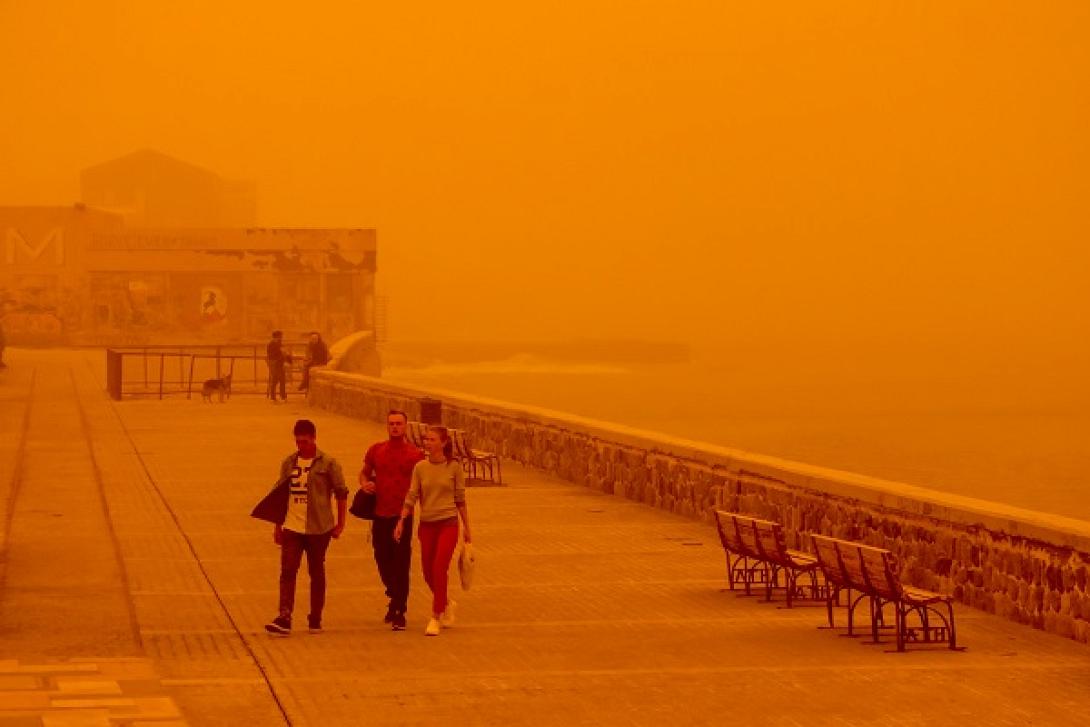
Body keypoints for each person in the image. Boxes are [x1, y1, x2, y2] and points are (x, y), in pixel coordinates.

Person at [265, 419, 348, 635]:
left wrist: (340, 524)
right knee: (287, 571)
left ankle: (315, 617)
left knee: (316, 571)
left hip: (319, 528)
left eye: (304, 441)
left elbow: (341, 493)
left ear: (313, 439)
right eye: (297, 442)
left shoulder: (329, 463)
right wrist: (277, 526)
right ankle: (284, 616)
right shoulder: (289, 463)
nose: (301, 446)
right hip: (292, 526)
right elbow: (280, 494)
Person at [394, 425, 471, 636]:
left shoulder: (454, 467)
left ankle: (435, 616)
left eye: (432, 440)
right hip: (427, 524)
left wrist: (467, 528)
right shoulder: (420, 467)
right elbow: (412, 496)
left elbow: (460, 499)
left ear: (443, 443)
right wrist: (401, 520)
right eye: (426, 439)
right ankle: (446, 602)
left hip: (448, 524)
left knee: (439, 568)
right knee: (427, 572)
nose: (427, 443)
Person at [360, 410, 424, 630]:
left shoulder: (415, 455)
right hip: (380, 514)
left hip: (402, 516)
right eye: (391, 424)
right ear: (387, 426)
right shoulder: (376, 451)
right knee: (381, 558)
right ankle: (394, 593)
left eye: (399, 423)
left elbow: (422, 485)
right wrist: (364, 484)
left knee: (401, 562)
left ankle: (399, 609)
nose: (395, 427)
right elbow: (364, 473)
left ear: (405, 427)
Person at [266, 330, 288, 402]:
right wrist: (282, 353)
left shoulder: (276, 343)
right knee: (279, 379)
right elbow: (273, 355)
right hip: (275, 364)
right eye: (281, 336)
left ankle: (275, 396)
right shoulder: (272, 344)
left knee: (276, 380)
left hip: (278, 363)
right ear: (277, 337)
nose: (281, 338)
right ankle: (281, 396)